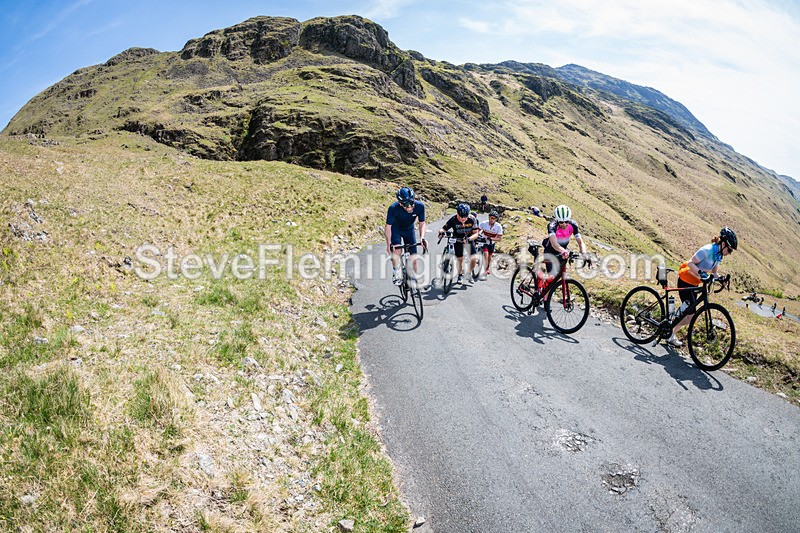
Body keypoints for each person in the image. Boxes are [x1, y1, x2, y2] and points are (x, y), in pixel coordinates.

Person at [668, 227, 737, 347]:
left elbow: (714, 272)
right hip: (685, 280)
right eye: (730, 250)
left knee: (689, 316)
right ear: (724, 244)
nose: (729, 253)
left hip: (694, 283)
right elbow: (690, 263)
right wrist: (701, 273)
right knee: (689, 315)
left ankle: (670, 332)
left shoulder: (718, 255)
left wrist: (720, 279)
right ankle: (670, 328)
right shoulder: (707, 250)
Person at [385, 187, 427, 286]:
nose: (409, 207)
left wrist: (422, 238)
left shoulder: (420, 206)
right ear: (400, 203)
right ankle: (396, 271)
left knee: (414, 259)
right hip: (396, 230)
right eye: (405, 204)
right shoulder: (393, 208)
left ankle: (415, 280)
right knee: (397, 251)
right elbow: (388, 227)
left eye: (411, 203)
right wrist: (389, 244)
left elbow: (422, 223)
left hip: (409, 230)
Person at [541, 205, 588, 279]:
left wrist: (584, 253)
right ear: (557, 220)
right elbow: (554, 244)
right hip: (550, 252)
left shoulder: (573, 225)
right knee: (552, 277)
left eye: (566, 221)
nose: (564, 224)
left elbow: (580, 242)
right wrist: (563, 251)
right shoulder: (552, 226)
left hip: (562, 253)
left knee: (561, 276)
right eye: (561, 222)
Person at [438, 203, 479, 283]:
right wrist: (441, 232)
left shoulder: (472, 219)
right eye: (461, 216)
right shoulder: (453, 219)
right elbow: (443, 229)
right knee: (460, 260)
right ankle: (460, 275)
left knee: (474, 258)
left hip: (469, 239)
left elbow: (476, 233)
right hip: (457, 239)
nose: (463, 219)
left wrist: (469, 239)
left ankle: (468, 273)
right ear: (457, 214)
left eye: (465, 216)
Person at [476, 210, 503, 277]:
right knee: (486, 254)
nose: (492, 220)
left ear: (496, 219)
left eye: (494, 218)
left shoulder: (498, 226)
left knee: (490, 256)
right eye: (491, 218)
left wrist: (492, 239)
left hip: (492, 242)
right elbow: (477, 231)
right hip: (484, 241)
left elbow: (499, 238)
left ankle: (487, 268)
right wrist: (477, 236)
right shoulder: (483, 223)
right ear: (489, 217)